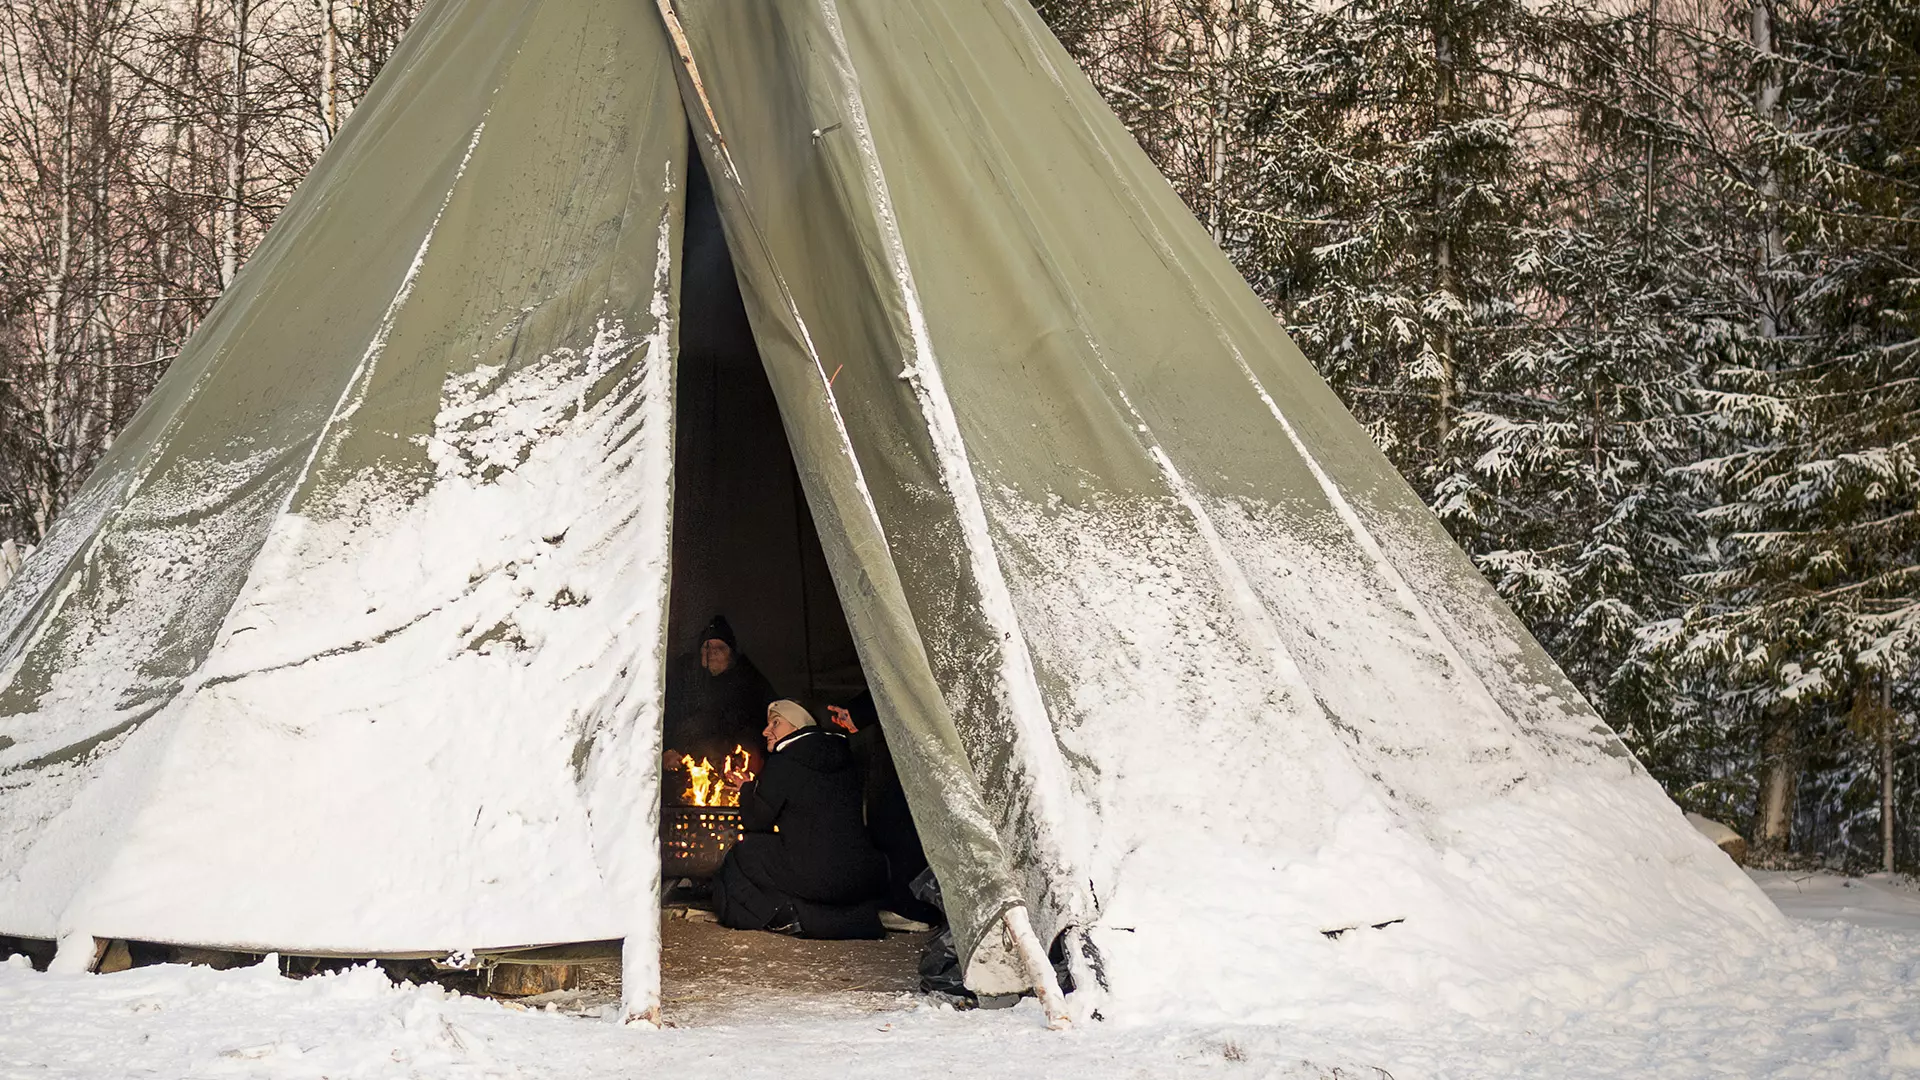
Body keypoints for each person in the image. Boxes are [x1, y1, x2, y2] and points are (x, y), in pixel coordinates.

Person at [712, 700, 888, 939]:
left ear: (796, 727)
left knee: (742, 852)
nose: (766, 731)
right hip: (858, 874)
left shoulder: (784, 761)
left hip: (815, 876)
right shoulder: (847, 756)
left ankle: (784, 916)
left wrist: (747, 789)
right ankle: (851, 918)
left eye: (775, 723)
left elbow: (756, 822)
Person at [662, 615, 774, 780]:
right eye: (707, 647)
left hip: (735, 769)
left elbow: (761, 724)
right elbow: (667, 714)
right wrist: (667, 748)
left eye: (720, 647)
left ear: (731, 655)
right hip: (690, 770)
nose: (712, 652)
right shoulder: (686, 679)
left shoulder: (749, 682)